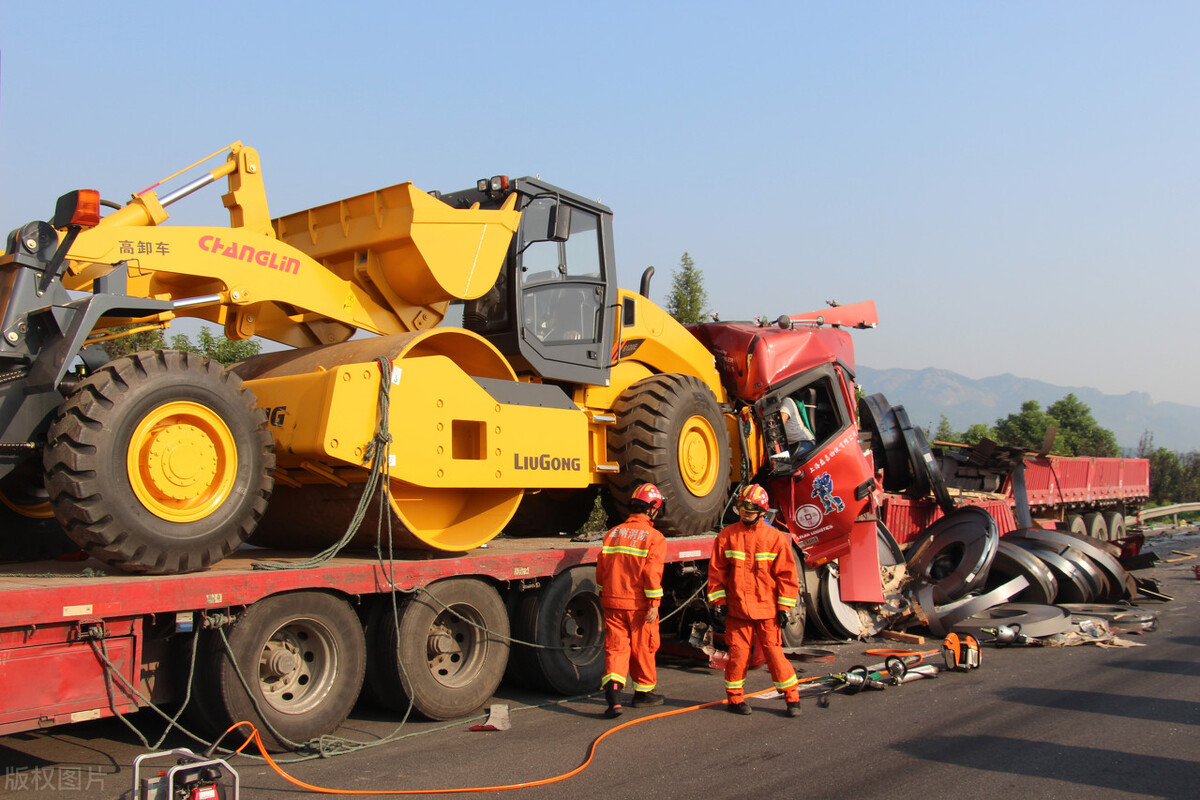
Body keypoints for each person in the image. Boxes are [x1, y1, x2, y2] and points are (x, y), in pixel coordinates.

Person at [706, 483, 803, 717]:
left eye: (750, 510)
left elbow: (787, 577)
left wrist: (784, 607)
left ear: (762, 511)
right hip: (738, 610)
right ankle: (735, 700)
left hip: (767, 610)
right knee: (738, 656)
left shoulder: (775, 539)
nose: (744, 513)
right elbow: (716, 572)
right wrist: (719, 602)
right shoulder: (727, 536)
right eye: (742, 509)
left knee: (775, 655)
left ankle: (792, 698)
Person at [596, 482, 667, 718]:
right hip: (638, 605)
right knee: (643, 648)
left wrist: (602, 593)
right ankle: (643, 694)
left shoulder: (612, 533)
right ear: (653, 508)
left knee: (615, 650)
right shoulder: (654, 537)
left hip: (612, 602)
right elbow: (651, 574)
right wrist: (654, 604)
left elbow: (602, 569)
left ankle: (614, 700)